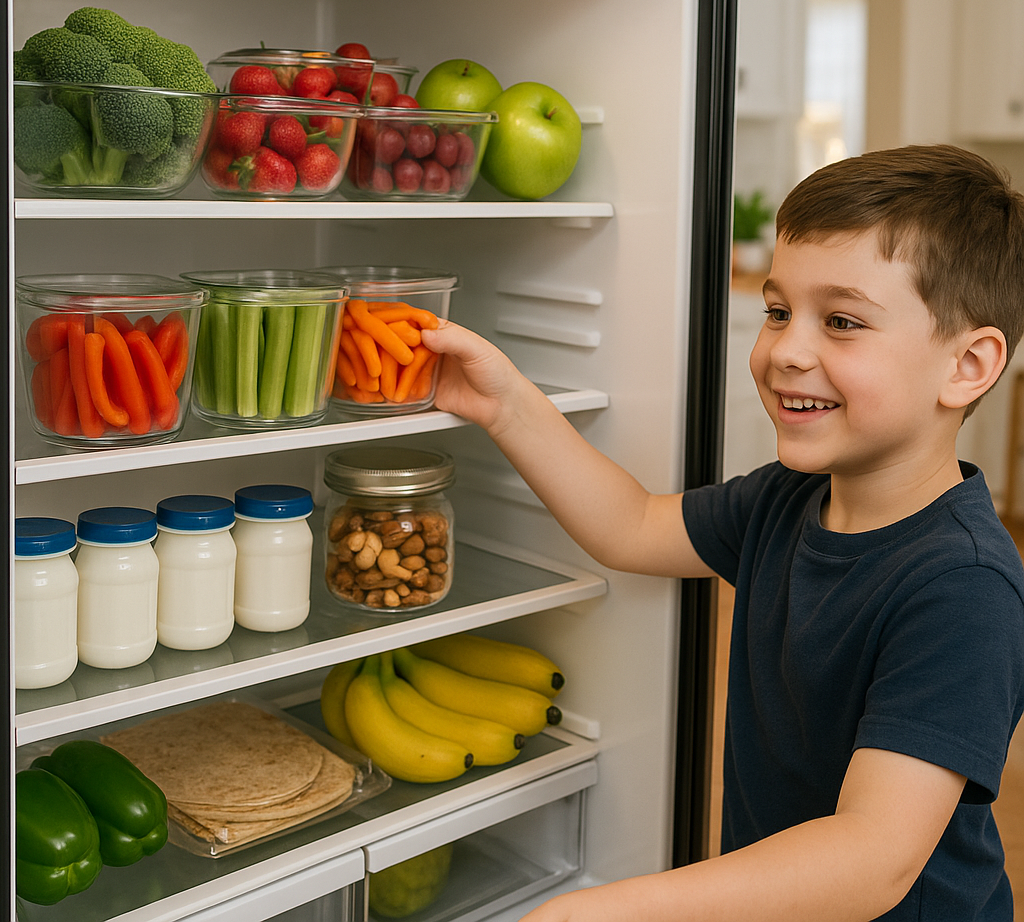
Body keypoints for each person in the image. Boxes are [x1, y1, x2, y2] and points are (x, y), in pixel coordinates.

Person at [420, 144, 1024, 921]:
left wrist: (603, 909)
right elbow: (634, 526)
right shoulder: (789, 500)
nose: (785, 352)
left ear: (968, 366)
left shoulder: (963, 587)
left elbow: (872, 857)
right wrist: (504, 403)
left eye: (841, 322)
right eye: (778, 312)